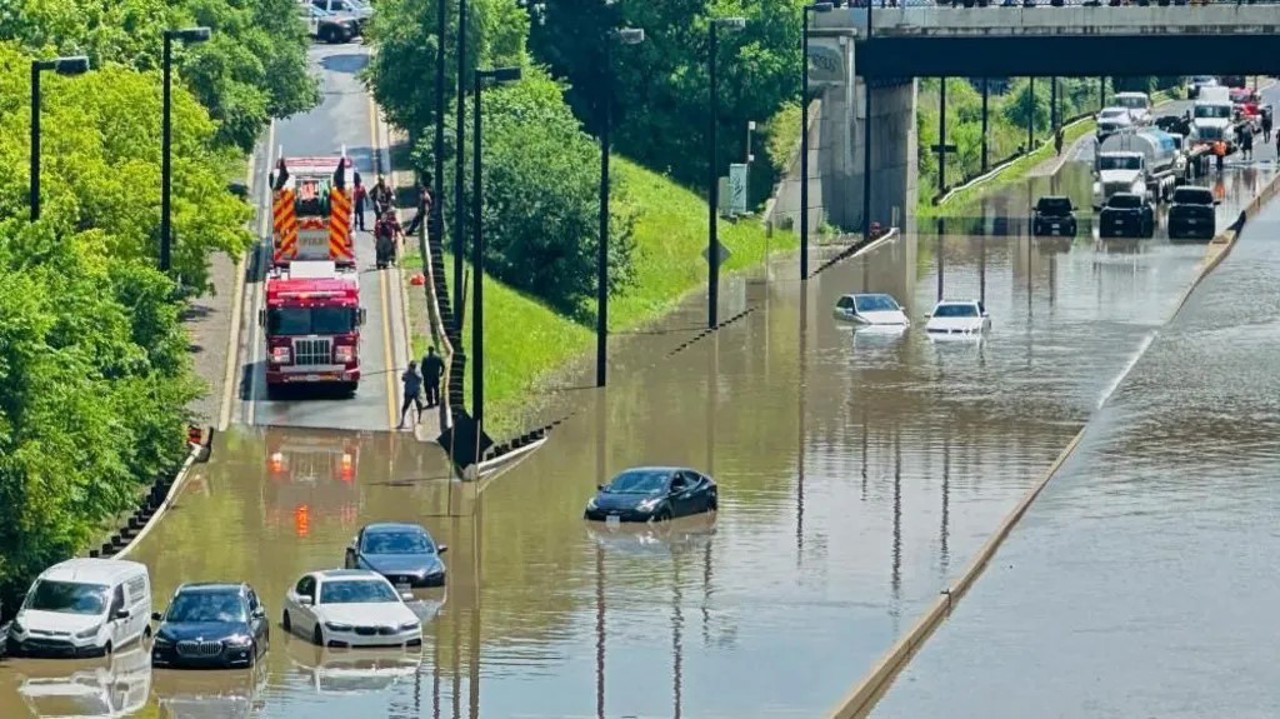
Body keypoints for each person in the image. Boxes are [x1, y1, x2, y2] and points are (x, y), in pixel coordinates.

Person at [397, 361, 424, 429]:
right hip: (408, 392)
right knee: (405, 406)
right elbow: (403, 379)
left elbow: (420, 379)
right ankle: (402, 421)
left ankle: (419, 419)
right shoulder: (407, 372)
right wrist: (406, 375)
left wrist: (414, 373)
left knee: (419, 404)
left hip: (416, 391)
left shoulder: (417, 371)